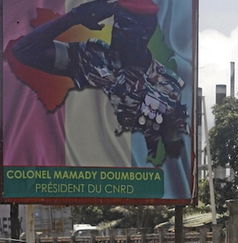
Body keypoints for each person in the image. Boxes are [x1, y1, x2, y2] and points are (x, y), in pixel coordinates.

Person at [11, 0, 188, 167]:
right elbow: (24, 51)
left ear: (145, 33)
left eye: (127, 30)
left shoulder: (168, 85)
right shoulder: (93, 58)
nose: (117, 36)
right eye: (116, 28)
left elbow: (174, 150)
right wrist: (74, 17)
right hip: (83, 169)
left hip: (137, 177)